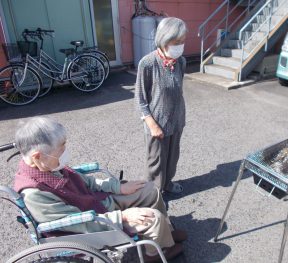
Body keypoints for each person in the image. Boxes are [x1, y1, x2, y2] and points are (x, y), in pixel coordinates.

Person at [13, 117, 186, 262]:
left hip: (95, 204)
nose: (65, 153)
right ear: (37, 156)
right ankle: (153, 254)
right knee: (151, 218)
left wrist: (118, 186)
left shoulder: (46, 165)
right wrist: (123, 216)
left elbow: (84, 180)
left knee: (149, 190)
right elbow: (80, 224)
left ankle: (166, 236)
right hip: (87, 226)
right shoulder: (34, 193)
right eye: (61, 149)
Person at [135, 17, 187, 194]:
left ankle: (167, 184)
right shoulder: (148, 63)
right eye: (176, 42)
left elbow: (178, 91)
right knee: (155, 162)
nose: (180, 45)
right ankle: (153, 194)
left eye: (182, 41)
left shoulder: (181, 62)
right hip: (156, 124)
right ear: (164, 39)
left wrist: (180, 117)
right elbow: (140, 99)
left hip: (177, 120)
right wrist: (152, 125)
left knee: (172, 158)